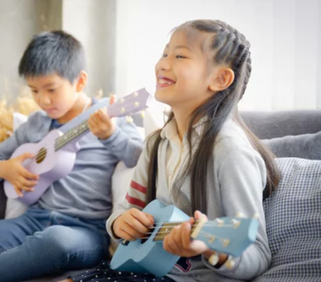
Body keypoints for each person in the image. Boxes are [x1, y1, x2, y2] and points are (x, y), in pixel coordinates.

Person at [64, 19, 280, 282]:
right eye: (165, 53)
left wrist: (211, 248)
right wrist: (120, 223)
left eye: (180, 55)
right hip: (142, 270)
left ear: (220, 78)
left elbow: (256, 253)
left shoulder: (230, 151)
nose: (163, 64)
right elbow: (127, 207)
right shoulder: (156, 144)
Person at [0, 30, 144, 282]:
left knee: (55, 241)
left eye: (51, 89)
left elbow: (139, 157)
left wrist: (110, 135)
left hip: (85, 230)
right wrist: (5, 169)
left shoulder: (108, 114)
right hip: (33, 220)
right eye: (34, 91)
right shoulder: (36, 124)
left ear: (80, 82)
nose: (43, 100)